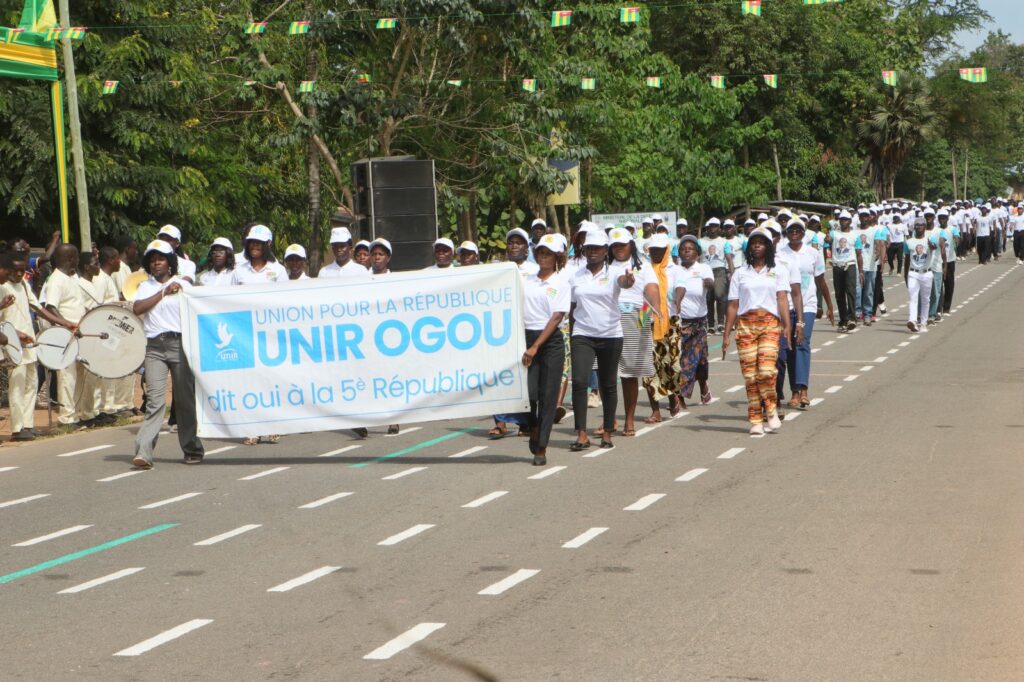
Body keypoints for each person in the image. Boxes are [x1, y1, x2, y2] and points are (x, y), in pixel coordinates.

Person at [130, 240, 204, 468]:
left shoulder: (182, 285)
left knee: (184, 400)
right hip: (154, 347)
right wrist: (163, 292)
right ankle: (144, 451)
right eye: (152, 260)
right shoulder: (145, 286)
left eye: (160, 259)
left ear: (170, 262)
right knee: (155, 400)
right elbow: (137, 308)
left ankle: (192, 448)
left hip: (180, 344)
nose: (156, 263)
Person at [722, 227, 796, 436]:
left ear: (768, 247)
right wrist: (726, 334)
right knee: (750, 376)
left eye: (761, 242)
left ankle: (770, 409)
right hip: (746, 325)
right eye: (753, 242)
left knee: (765, 371)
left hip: (769, 323)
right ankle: (755, 419)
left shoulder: (778, 270)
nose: (756, 245)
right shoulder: (740, 273)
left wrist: (787, 327)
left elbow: (782, 299)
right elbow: (733, 305)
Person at [568, 229, 634, 451]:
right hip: (582, 334)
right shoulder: (576, 275)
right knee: (579, 381)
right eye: (589, 248)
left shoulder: (615, 272)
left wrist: (629, 280)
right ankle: (581, 434)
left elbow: (624, 282)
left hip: (610, 335)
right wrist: (571, 334)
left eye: (597, 248)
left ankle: (607, 432)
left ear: (606, 251)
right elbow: (572, 306)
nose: (592, 252)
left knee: (608, 383)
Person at [230, 224, 286, 444]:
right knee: (250, 381)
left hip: (270, 333)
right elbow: (228, 300)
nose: (254, 246)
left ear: (267, 245)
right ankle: (252, 428)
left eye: (259, 243)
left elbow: (285, 300)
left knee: (270, 380)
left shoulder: (278, 270)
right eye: (251, 243)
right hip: (245, 333)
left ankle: (273, 425)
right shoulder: (239, 271)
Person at [521, 234, 570, 465]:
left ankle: (541, 447)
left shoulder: (561, 283)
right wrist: (528, 345)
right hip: (527, 337)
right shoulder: (527, 280)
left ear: (557, 257)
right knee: (530, 394)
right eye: (541, 252)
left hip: (549, 342)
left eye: (548, 253)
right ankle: (533, 425)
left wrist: (536, 346)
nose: (543, 257)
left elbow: (557, 317)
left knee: (548, 396)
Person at [777, 219, 835, 409]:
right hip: (787, 306)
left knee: (802, 342)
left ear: (804, 233)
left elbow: (820, 280)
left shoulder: (813, 253)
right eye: (791, 229)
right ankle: (794, 391)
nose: (794, 232)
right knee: (789, 348)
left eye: (798, 229)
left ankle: (803, 389)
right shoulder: (780, 253)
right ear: (786, 233)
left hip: (808, 305)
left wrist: (829, 305)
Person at [489, 228, 539, 439]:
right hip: (503, 330)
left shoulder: (536, 270)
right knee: (500, 375)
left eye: (519, 242)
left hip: (528, 327)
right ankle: (500, 422)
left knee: (525, 377)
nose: (514, 246)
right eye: (511, 242)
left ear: (527, 248)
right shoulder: (498, 269)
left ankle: (526, 423)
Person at [607, 229, 657, 437]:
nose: (619, 248)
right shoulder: (605, 267)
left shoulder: (643, 266)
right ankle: (609, 420)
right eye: (615, 245)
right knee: (605, 373)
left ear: (631, 245)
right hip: (607, 319)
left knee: (629, 374)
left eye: (623, 244)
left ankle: (629, 419)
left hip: (634, 317)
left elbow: (651, 293)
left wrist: (646, 323)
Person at [41, 244, 97, 428]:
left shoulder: (72, 278)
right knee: (67, 377)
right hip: (66, 335)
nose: (78, 260)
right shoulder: (56, 280)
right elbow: (50, 307)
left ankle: (79, 413)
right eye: (76, 257)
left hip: (79, 333)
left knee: (81, 374)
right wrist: (66, 324)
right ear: (70, 258)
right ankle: (67, 418)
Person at [642, 234, 682, 422]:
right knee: (648, 368)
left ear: (667, 250)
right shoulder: (643, 269)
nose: (656, 253)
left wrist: (678, 299)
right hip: (646, 320)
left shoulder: (675, 270)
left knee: (670, 365)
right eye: (653, 250)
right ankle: (655, 411)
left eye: (660, 250)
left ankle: (673, 397)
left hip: (670, 322)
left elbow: (681, 287)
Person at [671, 235, 714, 409]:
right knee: (683, 360)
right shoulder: (675, 270)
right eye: (683, 249)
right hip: (678, 322)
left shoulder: (704, 268)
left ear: (697, 252)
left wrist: (708, 283)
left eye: (690, 249)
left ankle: (702, 384)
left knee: (699, 362)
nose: (686, 251)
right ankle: (679, 396)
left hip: (698, 323)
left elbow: (711, 283)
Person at [826, 210, 863, 331]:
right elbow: (827, 240)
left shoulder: (855, 235)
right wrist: (827, 238)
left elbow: (859, 254)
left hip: (850, 265)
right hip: (837, 266)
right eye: (841, 219)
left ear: (850, 221)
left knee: (851, 291)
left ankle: (852, 318)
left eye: (846, 220)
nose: (843, 222)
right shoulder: (834, 233)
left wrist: (861, 271)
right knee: (839, 294)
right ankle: (843, 320)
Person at [904, 218, 934, 333]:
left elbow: (935, 247)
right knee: (913, 297)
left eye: (921, 225)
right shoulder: (909, 242)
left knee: (925, 299)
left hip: (927, 273)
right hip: (913, 273)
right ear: (914, 227)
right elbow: (907, 259)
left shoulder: (930, 239)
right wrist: (905, 275)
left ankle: (923, 323)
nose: (919, 227)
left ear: (925, 227)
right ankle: (912, 320)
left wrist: (932, 246)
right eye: (917, 225)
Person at [699, 218, 728, 333]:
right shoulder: (701, 241)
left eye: (715, 226)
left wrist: (731, 272)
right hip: (705, 270)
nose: (713, 228)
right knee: (708, 298)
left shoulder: (724, 242)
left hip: (719, 270)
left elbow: (729, 257)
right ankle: (710, 325)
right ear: (707, 227)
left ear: (719, 228)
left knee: (719, 295)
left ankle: (720, 323)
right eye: (711, 226)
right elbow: (697, 257)